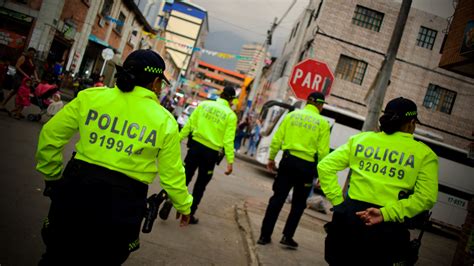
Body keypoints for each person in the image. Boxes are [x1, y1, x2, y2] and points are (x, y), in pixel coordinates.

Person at [35, 49, 193, 265]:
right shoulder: (164, 121)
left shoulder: (90, 98)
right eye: (161, 84)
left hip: (75, 189)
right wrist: (184, 206)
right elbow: (172, 174)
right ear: (156, 82)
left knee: (56, 255)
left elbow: (50, 136)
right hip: (123, 203)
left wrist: (52, 177)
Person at [318, 97, 438, 265]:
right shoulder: (425, 155)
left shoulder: (361, 140)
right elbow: (426, 197)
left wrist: (338, 202)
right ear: (411, 123)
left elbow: (325, 167)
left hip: (350, 219)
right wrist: (385, 214)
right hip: (389, 227)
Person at [257, 92, 330, 249]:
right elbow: (323, 152)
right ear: (319, 105)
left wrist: (271, 158)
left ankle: (264, 235)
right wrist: (321, 176)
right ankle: (287, 236)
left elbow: (277, 138)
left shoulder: (292, 116)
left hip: (288, 162)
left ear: (307, 101)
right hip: (307, 167)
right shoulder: (322, 123)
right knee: (298, 204)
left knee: (277, 199)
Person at [177, 86, 237, 224]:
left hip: (195, 147)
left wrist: (178, 139)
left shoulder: (204, 105)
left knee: (185, 178)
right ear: (231, 100)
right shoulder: (230, 115)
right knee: (200, 185)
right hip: (210, 153)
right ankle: (189, 214)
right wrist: (230, 162)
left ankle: (173, 200)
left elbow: (189, 125)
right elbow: (228, 140)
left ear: (221, 95)